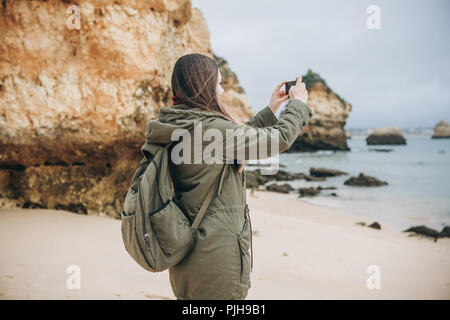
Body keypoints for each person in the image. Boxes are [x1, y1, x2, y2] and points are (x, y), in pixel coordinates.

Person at [144, 53, 313, 299]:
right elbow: (280, 139)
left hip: (188, 254)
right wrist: (298, 104)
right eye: (218, 84)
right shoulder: (211, 129)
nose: (221, 91)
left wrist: (271, 110)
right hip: (217, 258)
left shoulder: (180, 126)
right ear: (204, 87)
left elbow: (232, 144)